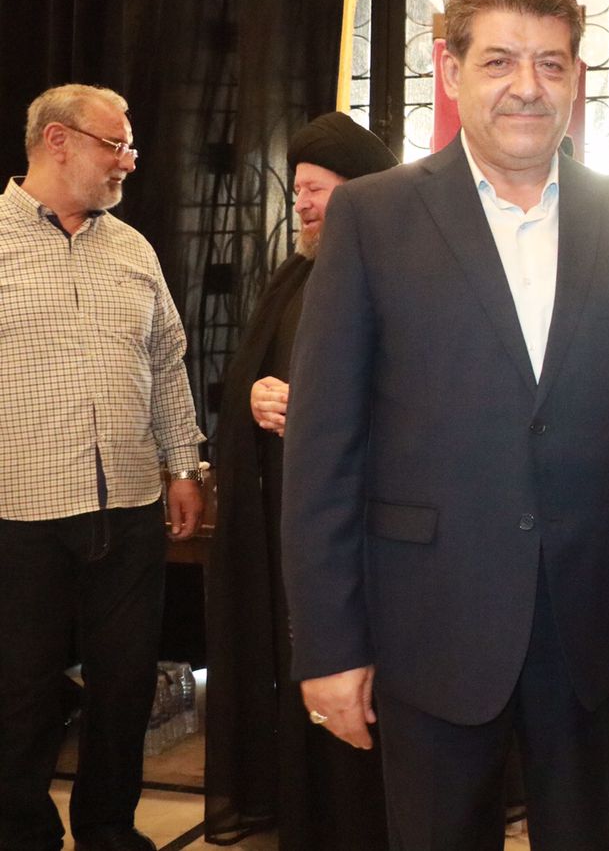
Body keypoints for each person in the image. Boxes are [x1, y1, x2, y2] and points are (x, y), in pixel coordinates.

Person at [281, 0, 609, 850]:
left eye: (551, 64)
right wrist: (328, 643)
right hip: (427, 622)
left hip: (592, 623)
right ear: (451, 72)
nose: (528, 86)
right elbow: (324, 451)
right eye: (500, 61)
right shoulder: (372, 218)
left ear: (576, 78)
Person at [0, 84, 204, 851]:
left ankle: (111, 830)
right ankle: (22, 831)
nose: (128, 162)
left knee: (124, 684)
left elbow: (169, 362)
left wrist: (183, 466)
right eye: (114, 146)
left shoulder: (133, 248)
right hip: (20, 512)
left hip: (129, 505)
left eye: (130, 147)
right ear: (57, 141)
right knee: (21, 690)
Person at [204, 112, 396, 848]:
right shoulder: (294, 277)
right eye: (298, 192)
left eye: (316, 189)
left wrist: (324, 409)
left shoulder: (409, 273)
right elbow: (251, 380)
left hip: (379, 530)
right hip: (300, 524)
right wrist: (255, 396)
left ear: (362, 190)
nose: (303, 205)